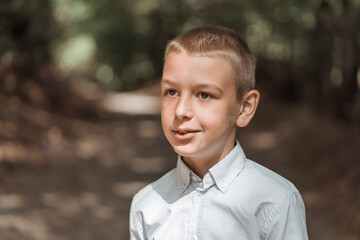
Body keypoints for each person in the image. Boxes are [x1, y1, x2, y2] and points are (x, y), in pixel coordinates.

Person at [129, 25, 308, 240]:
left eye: (204, 95)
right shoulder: (146, 205)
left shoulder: (275, 201)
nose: (181, 110)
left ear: (245, 108)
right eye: (172, 92)